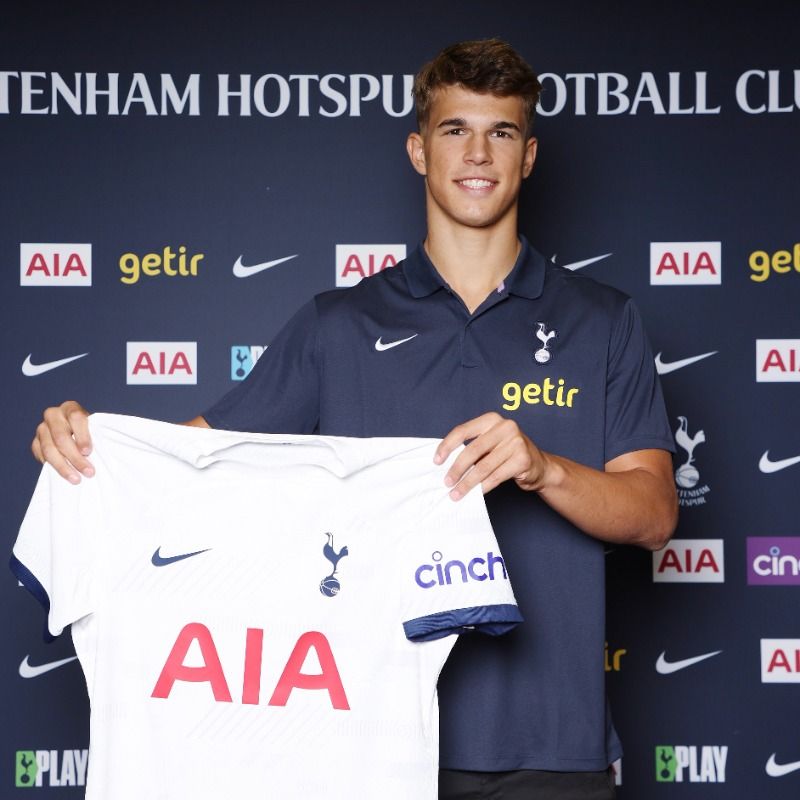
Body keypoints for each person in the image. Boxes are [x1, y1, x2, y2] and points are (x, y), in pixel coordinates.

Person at [31, 38, 677, 800]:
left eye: (500, 132)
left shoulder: (602, 321)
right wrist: (89, 443)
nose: (477, 153)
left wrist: (545, 468)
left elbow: (655, 513)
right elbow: (188, 468)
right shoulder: (339, 325)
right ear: (417, 149)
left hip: (551, 748)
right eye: (453, 130)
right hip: (367, 751)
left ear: (529, 155)